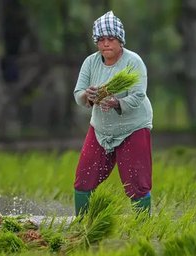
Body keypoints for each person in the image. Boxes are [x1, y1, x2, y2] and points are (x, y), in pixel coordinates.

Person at [73, 11, 153, 216]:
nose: (105, 44)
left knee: (136, 183)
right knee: (83, 179)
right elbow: (78, 93)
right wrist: (88, 96)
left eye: (110, 39)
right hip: (101, 129)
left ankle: (144, 226)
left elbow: (138, 95)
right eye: (101, 40)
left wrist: (116, 102)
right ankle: (82, 225)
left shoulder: (133, 62)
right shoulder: (90, 62)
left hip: (133, 128)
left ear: (120, 40)